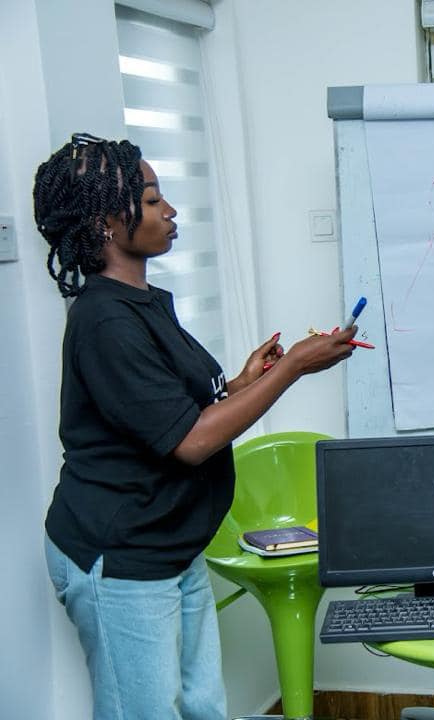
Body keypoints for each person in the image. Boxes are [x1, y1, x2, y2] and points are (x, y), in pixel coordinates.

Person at [34, 133, 358, 720]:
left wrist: (240, 383)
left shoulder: (142, 302)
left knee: (204, 705)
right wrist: (291, 368)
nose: (170, 210)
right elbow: (191, 441)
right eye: (152, 199)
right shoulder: (105, 322)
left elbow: (167, 409)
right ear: (107, 223)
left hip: (173, 543)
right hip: (122, 555)